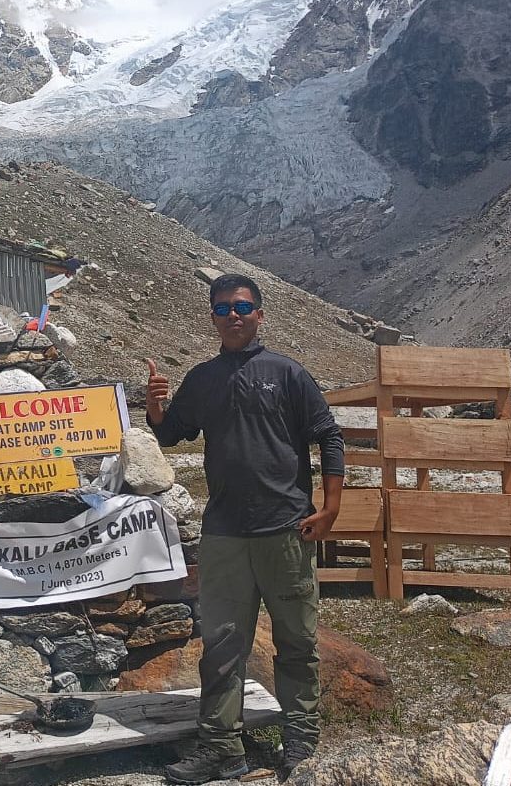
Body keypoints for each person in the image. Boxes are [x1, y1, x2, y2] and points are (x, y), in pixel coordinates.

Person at [145, 273, 344, 784]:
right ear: (212, 317)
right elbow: (170, 434)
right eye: (222, 308)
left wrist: (331, 507)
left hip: (286, 529)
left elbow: (329, 436)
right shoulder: (203, 378)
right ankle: (221, 749)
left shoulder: (287, 373)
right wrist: (155, 404)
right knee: (222, 645)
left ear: (259, 313)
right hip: (226, 534)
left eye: (242, 306)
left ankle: (301, 743)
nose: (233, 315)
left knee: (296, 641)